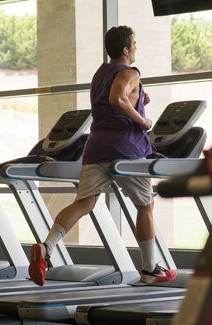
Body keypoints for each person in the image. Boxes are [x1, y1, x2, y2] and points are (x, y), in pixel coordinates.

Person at [28, 26, 177, 286]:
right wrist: (143, 120)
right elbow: (117, 98)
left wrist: (139, 97)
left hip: (96, 147)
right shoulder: (129, 72)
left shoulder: (100, 73)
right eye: (135, 43)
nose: (136, 47)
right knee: (145, 206)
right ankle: (149, 269)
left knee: (83, 203)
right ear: (125, 49)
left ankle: (46, 247)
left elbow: (115, 99)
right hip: (126, 150)